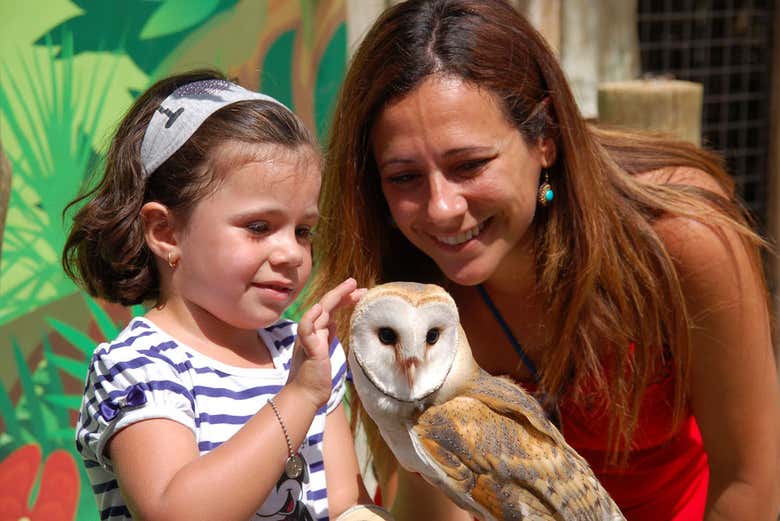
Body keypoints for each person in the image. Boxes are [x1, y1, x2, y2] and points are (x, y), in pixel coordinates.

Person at [307, 1, 780, 520]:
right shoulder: (396, 296)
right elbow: (437, 500)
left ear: (545, 138)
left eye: (469, 164)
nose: (442, 207)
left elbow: (751, 481)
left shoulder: (678, 238)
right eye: (403, 177)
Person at [63, 70, 375, 521]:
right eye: (258, 227)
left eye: (304, 230)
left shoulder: (302, 353)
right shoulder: (141, 366)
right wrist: (299, 396)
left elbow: (346, 507)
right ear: (166, 232)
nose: (291, 253)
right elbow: (176, 512)